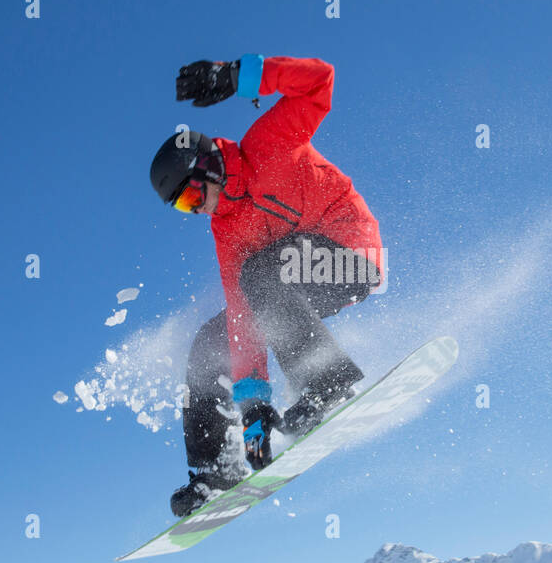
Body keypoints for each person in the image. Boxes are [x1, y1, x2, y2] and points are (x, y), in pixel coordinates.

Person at [149, 55, 383, 517]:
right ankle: (216, 466)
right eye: (182, 207)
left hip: (351, 256)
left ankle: (328, 381)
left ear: (209, 166)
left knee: (261, 273)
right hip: (291, 279)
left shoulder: (268, 143)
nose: (196, 210)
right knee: (210, 341)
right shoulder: (225, 229)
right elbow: (242, 317)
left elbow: (320, 82)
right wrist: (255, 407)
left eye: (193, 195)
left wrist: (239, 76)